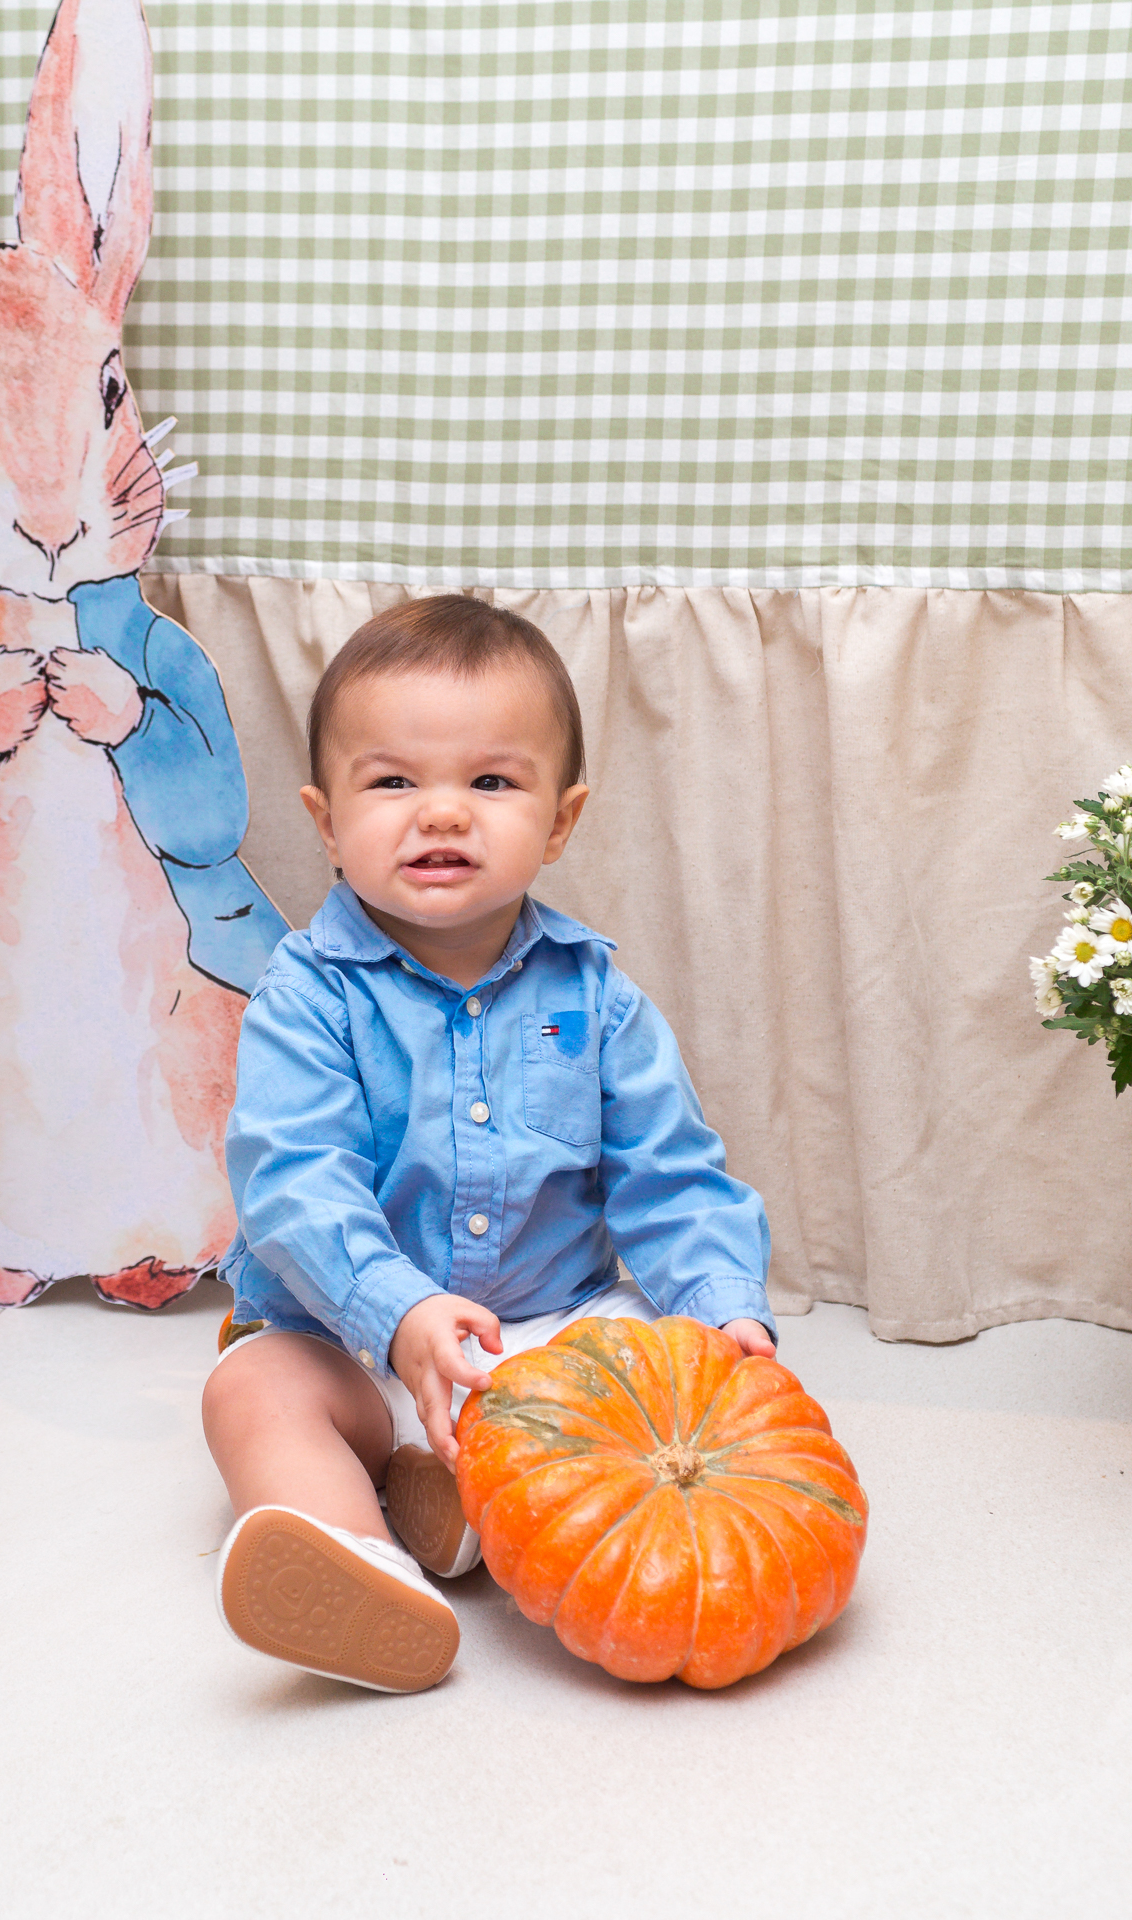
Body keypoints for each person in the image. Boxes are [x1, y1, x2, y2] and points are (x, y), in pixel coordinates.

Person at [202, 595, 776, 1693]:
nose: (441, 814)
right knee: (251, 1391)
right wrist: (398, 1313)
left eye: (491, 783)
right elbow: (292, 1183)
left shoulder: (595, 999)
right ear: (326, 820)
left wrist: (722, 1308)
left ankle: (458, 1492)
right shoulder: (305, 998)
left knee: (661, 1353)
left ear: (559, 822)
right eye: (392, 782)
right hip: (353, 1338)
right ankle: (365, 1571)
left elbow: (670, 1176)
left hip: (547, 1336)